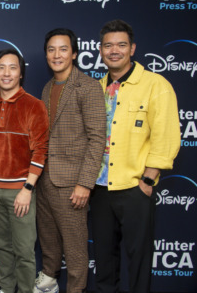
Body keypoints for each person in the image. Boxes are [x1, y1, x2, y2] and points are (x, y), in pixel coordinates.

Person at [91, 19, 180, 293]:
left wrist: (148, 180)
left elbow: (166, 136)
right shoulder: (95, 88)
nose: (114, 51)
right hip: (100, 187)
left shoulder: (155, 85)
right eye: (108, 45)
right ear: (100, 50)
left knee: (139, 260)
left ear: (132, 48)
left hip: (135, 187)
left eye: (121, 45)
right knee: (104, 260)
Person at [35, 29, 106, 293]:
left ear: (74, 53)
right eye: (51, 49)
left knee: (75, 251)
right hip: (44, 181)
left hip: (72, 185)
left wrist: (85, 184)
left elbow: (97, 139)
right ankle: (49, 285)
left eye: (63, 49)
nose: (57, 55)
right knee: (49, 243)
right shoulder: (47, 87)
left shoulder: (88, 87)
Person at [0, 49, 48, 293]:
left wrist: (28, 188)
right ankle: (5, 288)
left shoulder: (34, 106)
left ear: (21, 73)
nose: (6, 73)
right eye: (1, 67)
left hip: (20, 191)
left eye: (12, 67)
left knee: (23, 250)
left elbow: (41, 151)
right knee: (2, 246)